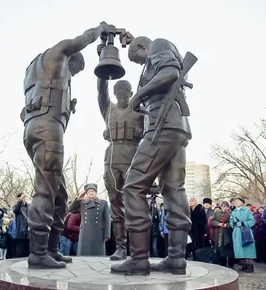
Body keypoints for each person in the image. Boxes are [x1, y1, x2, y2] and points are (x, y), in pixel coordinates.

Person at [21, 22, 111, 269]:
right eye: (76, 69)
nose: (73, 74)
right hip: (46, 128)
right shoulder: (57, 54)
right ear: (71, 59)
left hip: (34, 128)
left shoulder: (34, 70)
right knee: (45, 190)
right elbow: (80, 40)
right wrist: (99, 30)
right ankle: (38, 253)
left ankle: (51, 249)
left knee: (59, 194)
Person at [110, 33, 193, 276]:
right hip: (176, 127)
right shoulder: (161, 49)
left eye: (137, 59)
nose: (139, 64)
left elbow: (169, 73)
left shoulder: (158, 44)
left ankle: (138, 259)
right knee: (173, 189)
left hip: (162, 125)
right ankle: (176, 259)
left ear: (142, 47)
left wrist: (137, 95)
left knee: (133, 186)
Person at [96, 48, 144, 260]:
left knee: (133, 203)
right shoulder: (108, 108)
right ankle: (121, 247)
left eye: (125, 95)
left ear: (131, 94)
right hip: (112, 160)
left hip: (133, 158)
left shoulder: (140, 109)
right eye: (118, 95)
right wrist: (103, 66)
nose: (121, 98)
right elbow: (100, 92)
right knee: (115, 204)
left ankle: (138, 249)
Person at [69, 184, 111, 256]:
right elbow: (70, 210)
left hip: (98, 232)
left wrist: (107, 234)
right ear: (86, 194)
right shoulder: (82, 203)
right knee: (83, 256)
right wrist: (77, 200)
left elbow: (107, 220)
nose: (91, 193)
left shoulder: (103, 203)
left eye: (93, 191)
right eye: (89, 192)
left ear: (96, 192)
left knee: (98, 256)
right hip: (85, 232)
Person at [230, 196, 256, 273]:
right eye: (235, 201)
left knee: (247, 248)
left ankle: (250, 266)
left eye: (238, 201)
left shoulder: (247, 210)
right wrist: (233, 223)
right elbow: (231, 221)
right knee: (240, 249)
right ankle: (244, 265)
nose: (236, 202)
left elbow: (252, 221)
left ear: (242, 202)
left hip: (245, 231)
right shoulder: (234, 212)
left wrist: (243, 223)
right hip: (237, 232)